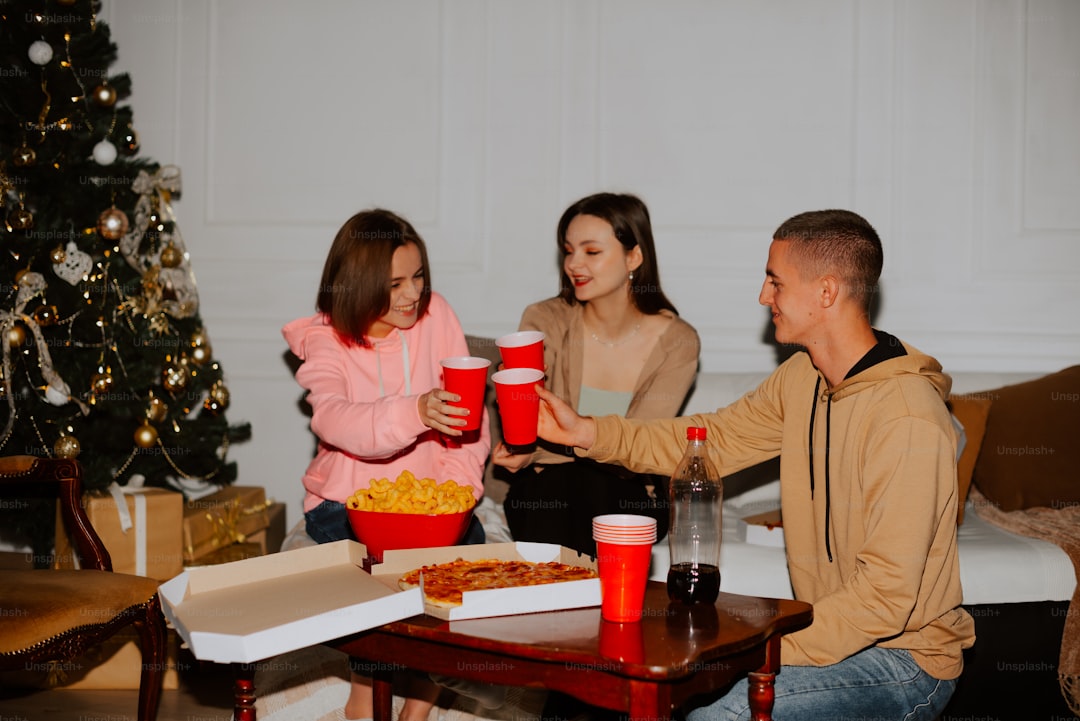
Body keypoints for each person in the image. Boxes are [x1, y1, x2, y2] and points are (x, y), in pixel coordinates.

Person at [531, 209, 975, 720]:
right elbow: (709, 440)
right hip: (835, 639)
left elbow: (885, 599)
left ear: (826, 292)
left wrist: (746, 651)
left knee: (719, 714)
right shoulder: (803, 377)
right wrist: (587, 432)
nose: (764, 297)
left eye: (775, 281)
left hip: (904, 662)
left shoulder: (907, 417)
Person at [282, 208, 490, 721]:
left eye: (417, 275)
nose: (412, 293)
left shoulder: (437, 315)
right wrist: (416, 410)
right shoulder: (326, 338)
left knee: (465, 568)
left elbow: (468, 425)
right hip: (344, 501)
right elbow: (335, 421)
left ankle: (421, 699)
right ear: (357, 283)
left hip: (431, 502)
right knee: (374, 579)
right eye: (395, 282)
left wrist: (458, 495)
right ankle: (363, 694)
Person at [491, 192, 700, 557]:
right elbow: (526, 415)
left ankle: (563, 596)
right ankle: (572, 597)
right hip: (545, 488)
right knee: (564, 482)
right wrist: (527, 450)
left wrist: (542, 451)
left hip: (630, 493)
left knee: (598, 479)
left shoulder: (677, 342)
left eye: (591, 251)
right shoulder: (545, 321)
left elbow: (640, 443)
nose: (573, 263)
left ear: (634, 256)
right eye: (568, 250)